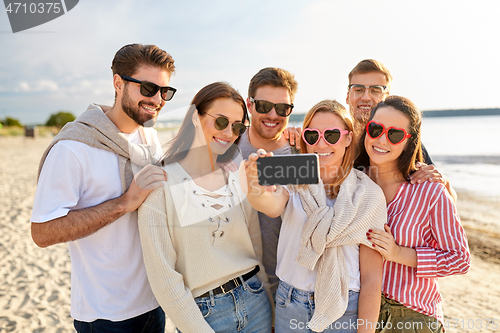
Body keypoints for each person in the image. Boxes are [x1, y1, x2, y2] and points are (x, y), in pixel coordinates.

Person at [30, 43, 175, 332]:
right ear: (118, 83)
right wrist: (124, 202)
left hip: (155, 302)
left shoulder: (150, 139)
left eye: (165, 92)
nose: (157, 99)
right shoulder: (73, 148)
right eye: (147, 88)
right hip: (105, 315)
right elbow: (42, 232)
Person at [137, 82, 272, 333]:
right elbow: (164, 278)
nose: (229, 132)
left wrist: (271, 308)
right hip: (205, 316)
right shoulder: (160, 185)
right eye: (220, 121)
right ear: (195, 118)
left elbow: (256, 250)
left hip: (256, 303)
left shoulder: (237, 175)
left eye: (238, 126)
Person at [245, 100, 387, 333]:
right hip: (290, 304)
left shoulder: (367, 192)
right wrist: (258, 187)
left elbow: (372, 277)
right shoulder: (293, 173)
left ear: (348, 139)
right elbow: (271, 204)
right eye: (312, 135)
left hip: (345, 307)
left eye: (331, 135)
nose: (321, 143)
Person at [356, 96, 470, 332]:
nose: (381, 139)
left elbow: (460, 259)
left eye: (394, 134)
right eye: (375, 129)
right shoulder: (352, 182)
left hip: (412, 316)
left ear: (409, 142)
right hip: (357, 310)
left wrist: (399, 253)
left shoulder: (430, 190)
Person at [345, 59, 457, 202]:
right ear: (348, 96)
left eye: (376, 90)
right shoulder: (332, 140)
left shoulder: (401, 142)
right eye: (358, 89)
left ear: (387, 97)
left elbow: (449, 200)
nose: (366, 97)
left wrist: (443, 182)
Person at [238, 67, 299, 295]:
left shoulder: (302, 150)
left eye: (282, 108)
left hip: (289, 287)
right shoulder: (229, 147)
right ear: (250, 104)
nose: (273, 115)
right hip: (243, 285)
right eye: (264, 106)